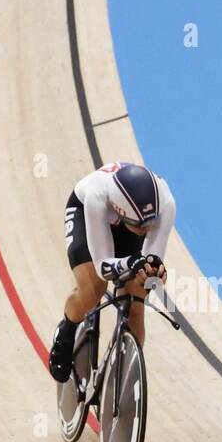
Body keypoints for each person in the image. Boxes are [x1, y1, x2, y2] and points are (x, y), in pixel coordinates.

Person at [49, 161, 176, 381]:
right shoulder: (96, 196)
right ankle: (67, 328)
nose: (148, 228)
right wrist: (130, 263)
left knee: (136, 297)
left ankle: (124, 376)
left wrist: (153, 271)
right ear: (120, 210)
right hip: (85, 214)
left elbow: (152, 258)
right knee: (93, 289)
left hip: (128, 224)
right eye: (142, 225)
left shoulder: (165, 203)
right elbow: (102, 268)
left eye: (152, 221)